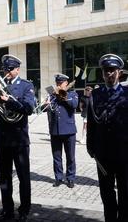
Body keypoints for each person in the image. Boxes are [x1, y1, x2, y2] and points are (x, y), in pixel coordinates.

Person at [0, 54, 35, 222]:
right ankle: (7, 210)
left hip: (19, 137)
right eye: (4, 69)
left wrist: (8, 100)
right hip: (2, 138)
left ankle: (24, 210)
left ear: (17, 69)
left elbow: (29, 108)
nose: (6, 72)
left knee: (23, 177)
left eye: (9, 69)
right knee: (4, 177)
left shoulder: (26, 86)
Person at [87, 53, 128, 222]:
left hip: (124, 153)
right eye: (106, 71)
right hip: (103, 154)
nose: (109, 74)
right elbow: (91, 122)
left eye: (112, 70)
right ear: (102, 73)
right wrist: (91, 148)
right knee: (106, 192)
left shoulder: (127, 93)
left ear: (119, 72)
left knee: (125, 192)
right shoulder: (96, 95)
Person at [46, 73, 78, 188]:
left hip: (69, 131)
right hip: (55, 131)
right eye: (57, 83)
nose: (59, 85)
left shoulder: (72, 94)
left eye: (61, 83)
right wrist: (46, 104)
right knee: (57, 157)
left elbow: (74, 105)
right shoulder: (52, 95)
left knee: (70, 156)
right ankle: (58, 178)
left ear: (66, 84)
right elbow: (43, 109)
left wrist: (64, 97)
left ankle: (70, 178)